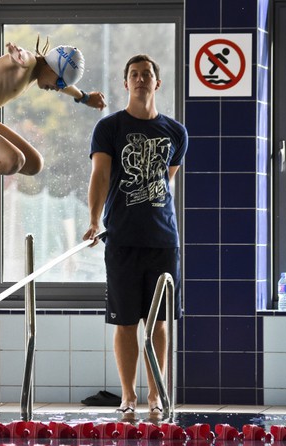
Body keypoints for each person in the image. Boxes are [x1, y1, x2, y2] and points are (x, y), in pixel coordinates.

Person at [83, 54, 188, 416]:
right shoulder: (110, 128)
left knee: (158, 322)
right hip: (122, 238)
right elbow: (100, 176)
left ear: (157, 83)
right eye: (134, 75)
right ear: (125, 83)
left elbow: (164, 180)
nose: (140, 79)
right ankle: (128, 395)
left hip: (162, 240)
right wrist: (94, 220)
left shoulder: (176, 132)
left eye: (147, 74)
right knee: (126, 321)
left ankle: (155, 395)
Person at [0, 37, 106, 197]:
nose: (58, 88)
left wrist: (85, 98)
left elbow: (65, 84)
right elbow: (26, 58)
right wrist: (18, 54)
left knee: (34, 164)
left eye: (63, 85)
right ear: (50, 66)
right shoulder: (27, 64)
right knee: (13, 161)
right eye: (59, 82)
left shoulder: (42, 71)